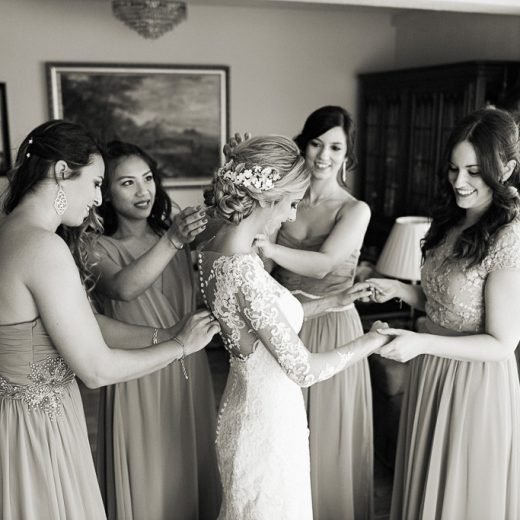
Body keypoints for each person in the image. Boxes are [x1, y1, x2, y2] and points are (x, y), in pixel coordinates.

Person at [0, 120, 219, 520]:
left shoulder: (10, 233)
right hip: (39, 428)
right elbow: (97, 370)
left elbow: (89, 325)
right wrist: (179, 346)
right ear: (62, 172)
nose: (98, 198)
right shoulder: (43, 247)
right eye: (97, 183)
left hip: (14, 420)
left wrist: (166, 333)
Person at [198, 134, 390, 520]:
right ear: (268, 198)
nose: (290, 215)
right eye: (291, 202)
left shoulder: (215, 250)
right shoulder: (243, 269)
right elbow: (304, 369)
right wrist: (372, 341)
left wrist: (334, 300)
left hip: (246, 405)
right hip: (268, 425)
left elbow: (263, 319)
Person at [361, 107, 520, 519]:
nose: (459, 181)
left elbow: (503, 342)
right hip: (431, 369)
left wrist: (420, 343)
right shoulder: (452, 220)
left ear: (506, 170)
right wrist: (398, 289)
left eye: (474, 171)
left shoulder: (508, 239)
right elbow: (447, 303)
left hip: (474, 382)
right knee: (424, 479)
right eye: (453, 168)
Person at [251, 106, 374, 519]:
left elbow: (323, 264)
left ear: (347, 154)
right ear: (304, 145)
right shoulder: (286, 200)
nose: (324, 156)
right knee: (282, 431)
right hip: (284, 324)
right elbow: (262, 270)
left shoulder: (354, 210)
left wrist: (267, 245)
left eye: (335, 147)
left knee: (327, 432)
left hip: (333, 324)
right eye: (317, 144)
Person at [94, 140, 221, 520]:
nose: (143, 190)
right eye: (127, 182)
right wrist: (173, 240)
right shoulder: (96, 246)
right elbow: (123, 288)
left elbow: (231, 235)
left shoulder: (174, 234)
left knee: (190, 463)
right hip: (138, 372)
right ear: (104, 192)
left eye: (147, 178)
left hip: (190, 365)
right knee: (150, 474)